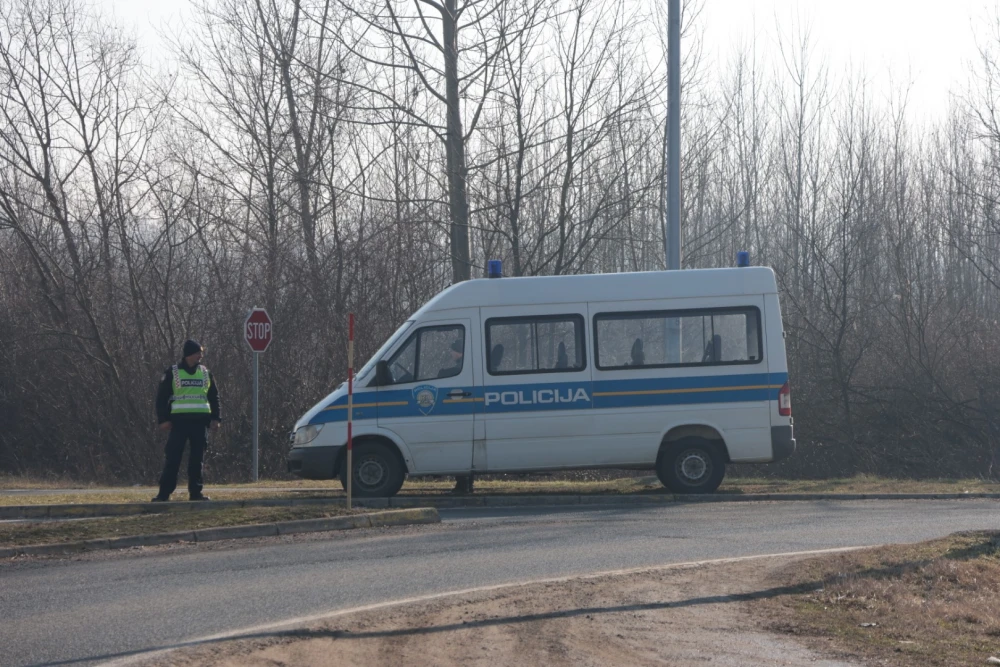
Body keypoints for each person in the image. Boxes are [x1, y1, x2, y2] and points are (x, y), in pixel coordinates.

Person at [152, 339, 221, 502]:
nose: (200, 356)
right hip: (179, 423)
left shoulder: (205, 373)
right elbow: (161, 398)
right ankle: (164, 494)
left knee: (197, 460)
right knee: (173, 459)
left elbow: (214, 397)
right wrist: (162, 420)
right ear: (189, 354)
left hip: (200, 422)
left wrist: (216, 418)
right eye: (198, 353)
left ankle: (196, 493)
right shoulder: (173, 372)